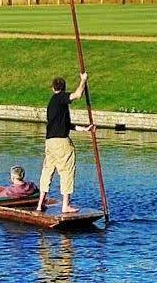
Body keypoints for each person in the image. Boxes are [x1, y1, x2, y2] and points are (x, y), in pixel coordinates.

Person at [36, 73, 95, 214]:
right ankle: (65, 206)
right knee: (67, 171)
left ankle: (40, 204)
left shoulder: (53, 104)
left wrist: (85, 129)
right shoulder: (60, 98)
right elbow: (77, 95)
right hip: (61, 143)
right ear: (63, 88)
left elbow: (68, 125)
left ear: (52, 88)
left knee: (47, 170)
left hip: (49, 142)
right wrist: (83, 80)